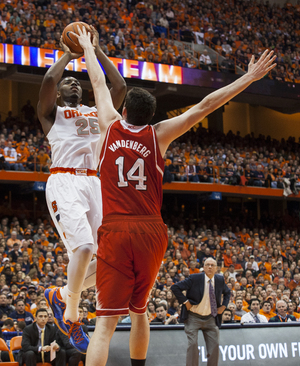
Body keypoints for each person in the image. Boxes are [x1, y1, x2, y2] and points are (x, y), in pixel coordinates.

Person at [74, 26, 276, 366]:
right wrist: (249, 78)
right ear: (150, 117)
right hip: (152, 230)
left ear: (125, 112)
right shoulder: (160, 135)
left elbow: (97, 83)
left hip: (117, 228)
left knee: (105, 324)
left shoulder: (109, 125)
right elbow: (207, 104)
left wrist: (87, 48)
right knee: (140, 311)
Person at [38, 26, 126, 353]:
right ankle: (72, 314)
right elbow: (47, 81)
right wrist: (69, 54)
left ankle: (60, 296)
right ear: (60, 93)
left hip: (95, 182)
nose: (73, 81)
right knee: (86, 248)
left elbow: (119, 86)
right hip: (64, 180)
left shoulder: (95, 112)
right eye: (67, 82)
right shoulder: (52, 114)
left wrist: (97, 50)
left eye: (77, 80)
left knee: (109, 260)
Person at [171, 258, 230, 366]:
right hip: (193, 317)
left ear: (216, 268)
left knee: (215, 346)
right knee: (193, 345)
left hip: (210, 318)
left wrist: (224, 306)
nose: (210, 267)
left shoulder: (220, 280)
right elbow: (175, 287)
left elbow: (228, 292)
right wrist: (185, 301)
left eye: (212, 265)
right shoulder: (195, 278)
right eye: (207, 264)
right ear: (204, 267)